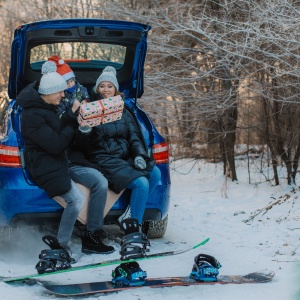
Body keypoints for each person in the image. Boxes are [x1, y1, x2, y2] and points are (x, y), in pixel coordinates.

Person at [16, 61, 114, 255]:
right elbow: (56, 144)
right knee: (75, 200)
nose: (63, 95)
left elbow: (59, 132)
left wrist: (75, 116)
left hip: (62, 160)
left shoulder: (48, 106)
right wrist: (74, 124)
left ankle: (93, 236)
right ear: (48, 92)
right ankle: (61, 246)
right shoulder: (32, 116)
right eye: (60, 92)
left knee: (99, 182)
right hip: (47, 165)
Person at [77, 66, 161, 232]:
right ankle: (132, 229)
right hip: (103, 159)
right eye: (102, 86)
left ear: (115, 88)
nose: (106, 90)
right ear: (97, 88)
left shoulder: (123, 109)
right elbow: (83, 144)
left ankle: (128, 215)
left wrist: (139, 155)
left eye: (110, 86)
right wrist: (84, 131)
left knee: (155, 173)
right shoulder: (90, 108)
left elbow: (134, 136)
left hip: (124, 158)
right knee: (141, 183)